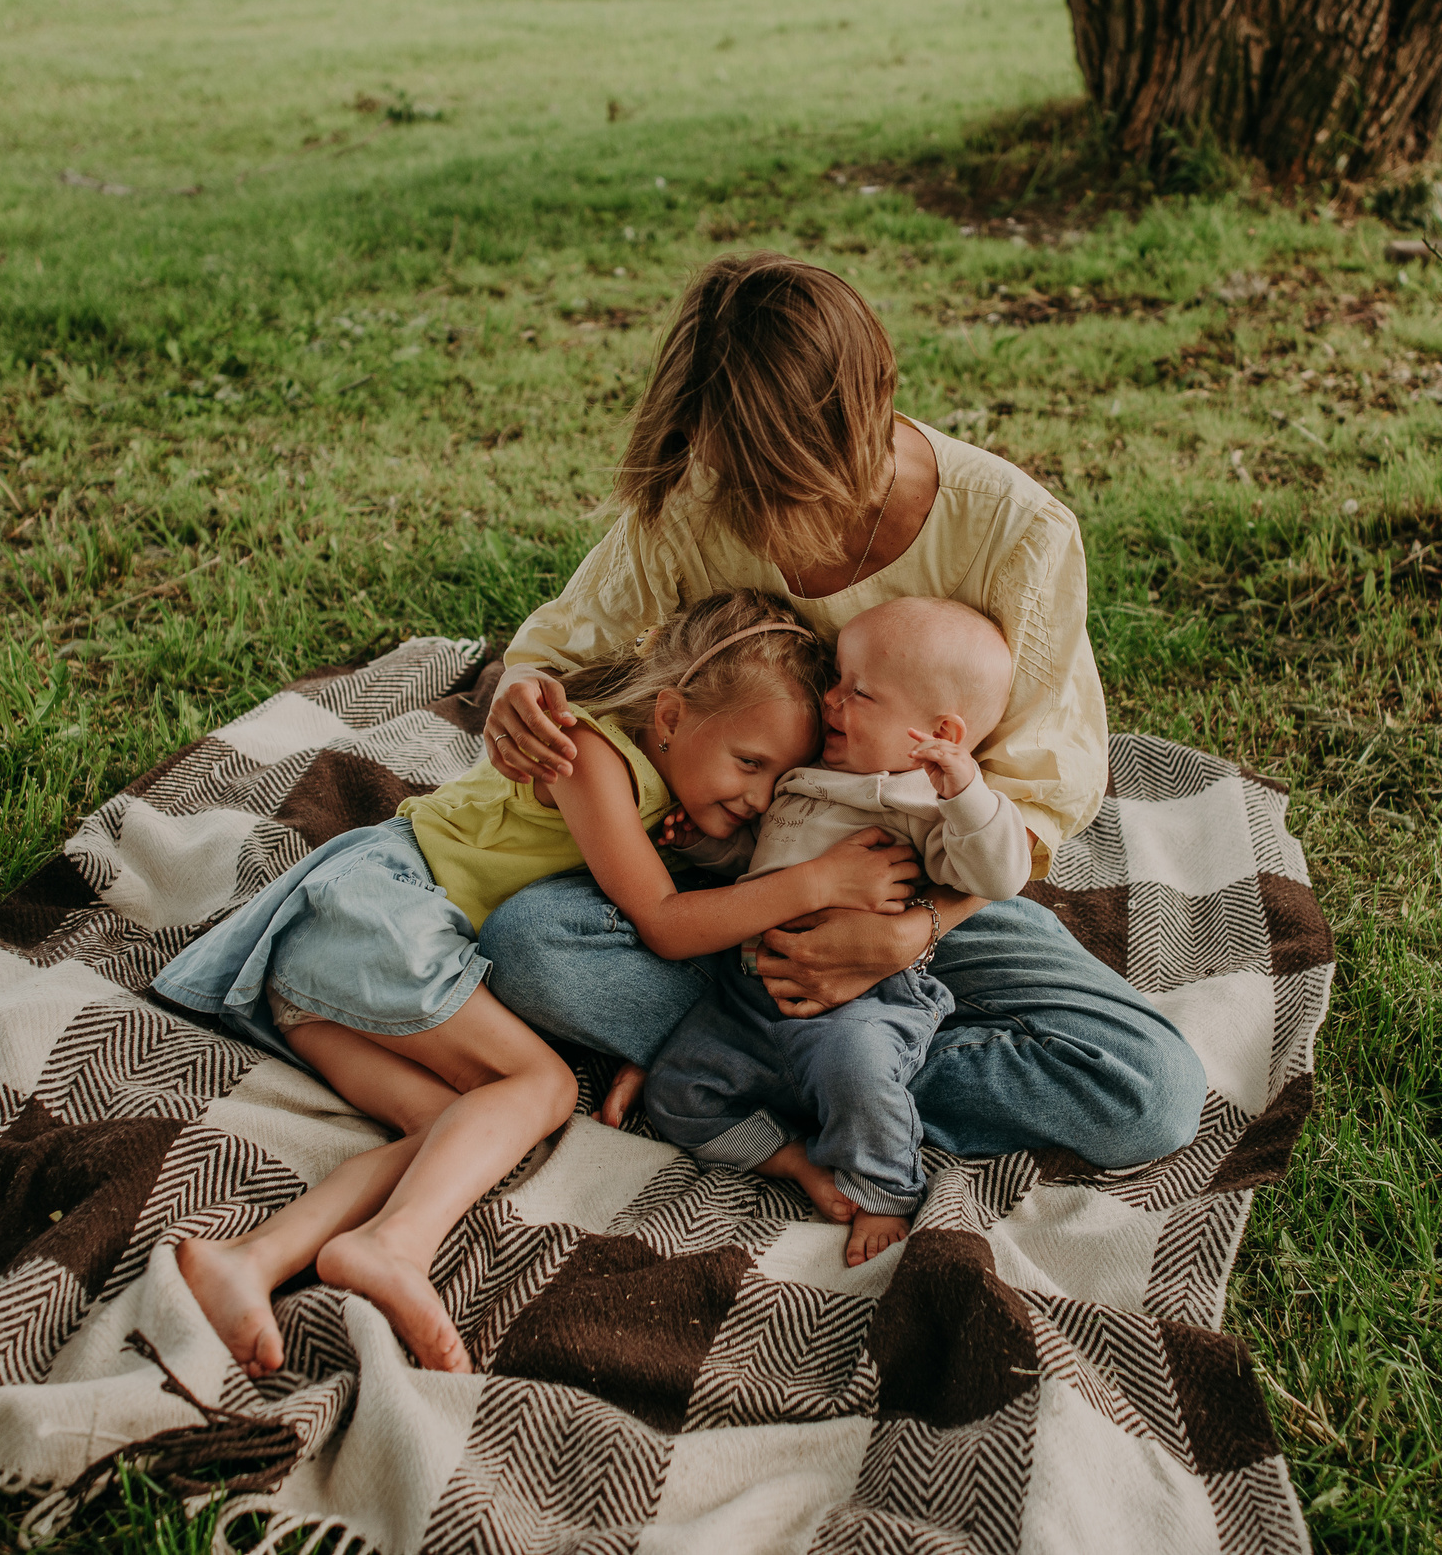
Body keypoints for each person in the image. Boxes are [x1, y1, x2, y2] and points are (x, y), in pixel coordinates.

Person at [474, 250, 1208, 1175]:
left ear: (866, 414)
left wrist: (906, 935)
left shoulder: (1014, 533)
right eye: (726, 474)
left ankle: (777, 1071)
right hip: (731, 881)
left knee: (1149, 1092)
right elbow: (564, 639)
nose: (742, 508)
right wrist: (519, 690)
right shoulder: (706, 490)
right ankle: (818, 1068)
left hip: (919, 886)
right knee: (527, 946)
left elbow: (1033, 802)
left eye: (770, 484)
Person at [156, 591, 917, 1377]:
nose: (758, 797)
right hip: (377, 915)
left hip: (337, 976)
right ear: (670, 714)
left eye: (778, 779)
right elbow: (662, 921)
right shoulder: (587, 754)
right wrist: (821, 880)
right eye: (749, 763)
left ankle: (250, 1261)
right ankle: (395, 1247)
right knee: (542, 1086)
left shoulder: (659, 801)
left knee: (454, 1131)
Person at [643, 595, 1034, 1266]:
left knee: (858, 1066)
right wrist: (706, 851)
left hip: (861, 1003)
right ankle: (792, 1155)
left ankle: (884, 1187)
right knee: (674, 1091)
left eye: (859, 692)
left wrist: (967, 790)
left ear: (937, 731)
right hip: (749, 994)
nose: (831, 700)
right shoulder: (801, 778)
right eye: (836, 683)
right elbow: (763, 861)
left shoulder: (923, 799)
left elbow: (1000, 873)